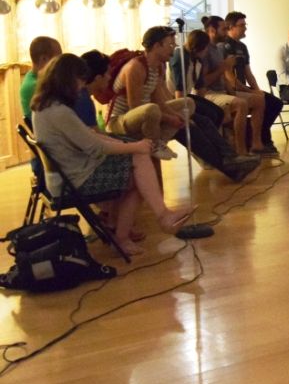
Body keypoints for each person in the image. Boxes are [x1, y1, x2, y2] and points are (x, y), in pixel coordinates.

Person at [30, 54, 193, 255]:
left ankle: (138, 226)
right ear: (67, 79)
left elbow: (88, 135)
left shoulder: (47, 107)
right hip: (74, 180)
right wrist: (135, 147)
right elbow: (94, 146)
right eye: (80, 81)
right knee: (138, 165)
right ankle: (148, 223)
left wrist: (126, 144)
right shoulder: (58, 112)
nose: (81, 86)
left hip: (69, 175)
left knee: (137, 168)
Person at [166, 33, 262, 182]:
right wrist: (189, 113)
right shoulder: (181, 58)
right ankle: (225, 156)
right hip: (177, 100)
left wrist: (208, 106)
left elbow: (200, 87)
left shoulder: (197, 60)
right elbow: (179, 91)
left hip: (188, 97)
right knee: (204, 120)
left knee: (215, 112)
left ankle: (229, 155)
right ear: (201, 48)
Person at [106, 26, 189, 161]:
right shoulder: (136, 67)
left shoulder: (159, 67)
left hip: (146, 113)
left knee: (187, 104)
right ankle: (154, 145)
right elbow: (135, 107)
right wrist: (169, 118)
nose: (173, 48)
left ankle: (160, 141)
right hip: (120, 120)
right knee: (151, 109)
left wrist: (176, 116)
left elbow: (159, 101)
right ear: (157, 46)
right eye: (170, 44)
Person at [219, 11, 283, 155]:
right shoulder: (224, 46)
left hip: (243, 88)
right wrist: (250, 92)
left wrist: (256, 89)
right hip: (231, 89)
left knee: (274, 103)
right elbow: (229, 77)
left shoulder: (242, 47)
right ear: (231, 27)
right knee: (262, 101)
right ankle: (261, 141)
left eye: (245, 25)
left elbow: (248, 73)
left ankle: (258, 138)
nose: (245, 28)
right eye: (241, 25)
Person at [200, 15, 257, 155]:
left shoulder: (218, 49)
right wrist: (225, 67)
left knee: (259, 100)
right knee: (241, 104)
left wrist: (231, 91)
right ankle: (241, 150)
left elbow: (224, 78)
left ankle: (256, 144)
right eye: (224, 29)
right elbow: (203, 81)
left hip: (222, 91)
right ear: (212, 30)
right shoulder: (205, 50)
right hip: (209, 93)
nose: (227, 32)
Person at [19, 36, 62, 122]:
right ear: (43, 59)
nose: (60, 63)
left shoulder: (34, 76)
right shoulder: (36, 85)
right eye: (58, 58)